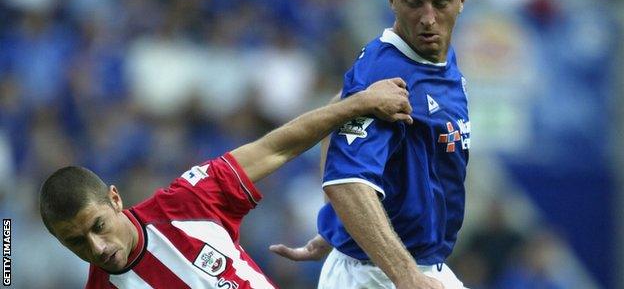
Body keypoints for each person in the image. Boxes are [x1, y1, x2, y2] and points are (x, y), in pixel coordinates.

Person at [39, 78, 413, 289]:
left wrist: (360, 102)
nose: (97, 247)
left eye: (98, 226)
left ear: (115, 199)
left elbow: (276, 147)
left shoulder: (186, 202)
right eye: (75, 242)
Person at [270, 0, 470, 289]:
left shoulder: (434, 56)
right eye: (413, 2)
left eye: (440, 3)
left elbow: (338, 108)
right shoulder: (387, 71)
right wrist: (406, 276)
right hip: (380, 274)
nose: (427, 18)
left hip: (413, 266)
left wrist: (339, 224)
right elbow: (348, 182)